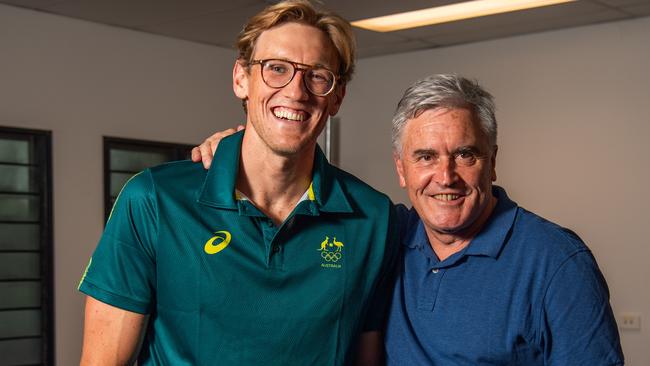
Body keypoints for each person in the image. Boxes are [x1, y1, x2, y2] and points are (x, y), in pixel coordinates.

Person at [194, 74, 624, 365]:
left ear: (492, 163)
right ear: (401, 170)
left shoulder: (556, 263)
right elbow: (288, 198)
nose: (446, 177)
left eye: (465, 154)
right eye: (426, 157)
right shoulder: (383, 232)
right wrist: (246, 150)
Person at [78, 1, 397, 364]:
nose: (296, 91)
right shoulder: (154, 199)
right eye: (276, 69)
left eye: (318, 75)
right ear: (241, 79)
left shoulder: (373, 217)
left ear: (337, 96)